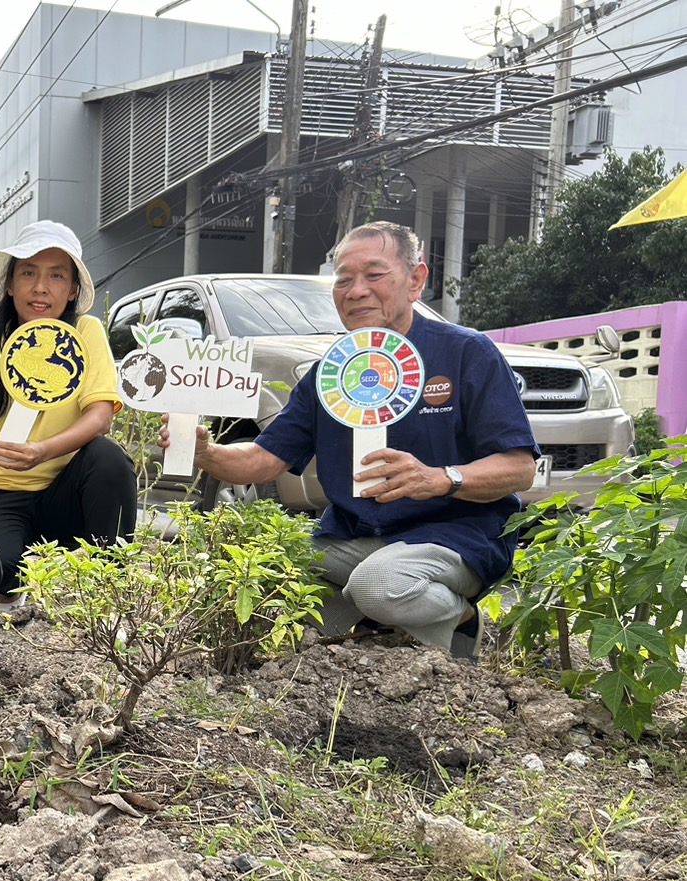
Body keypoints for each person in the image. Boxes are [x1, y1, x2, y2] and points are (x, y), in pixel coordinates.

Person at [165, 221, 538, 652]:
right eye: (343, 280)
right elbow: (263, 459)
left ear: (416, 280)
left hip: (458, 535)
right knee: (266, 569)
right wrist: (206, 452)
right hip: (356, 536)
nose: (356, 290)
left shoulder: (466, 352)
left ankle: (459, 622)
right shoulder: (331, 370)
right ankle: (378, 638)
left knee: (378, 585)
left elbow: (520, 469)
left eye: (374, 275)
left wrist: (440, 479)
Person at [0, 221, 137, 609]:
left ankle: (112, 593)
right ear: (10, 285)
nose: (41, 288)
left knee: (108, 458)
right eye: (28, 273)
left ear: (72, 290)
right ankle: (11, 584)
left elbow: (100, 417)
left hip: (65, 494)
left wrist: (42, 452)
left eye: (56, 276)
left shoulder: (85, 333)